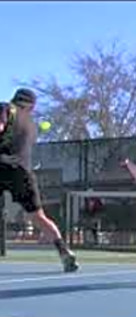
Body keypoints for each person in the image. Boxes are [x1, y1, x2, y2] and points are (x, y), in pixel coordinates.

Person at [0, 88, 79, 271]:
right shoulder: (31, 125)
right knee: (38, 216)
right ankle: (64, 251)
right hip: (22, 171)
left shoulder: (5, 108)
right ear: (31, 107)